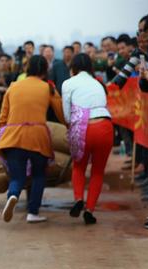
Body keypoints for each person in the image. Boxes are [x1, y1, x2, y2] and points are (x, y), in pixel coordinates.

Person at [0, 55, 65, 224]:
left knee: (17, 177)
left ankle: (13, 195)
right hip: (38, 136)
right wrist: (70, 126)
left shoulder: (13, 87)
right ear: (45, 70)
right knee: (38, 175)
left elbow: (2, 118)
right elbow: (61, 113)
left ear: (27, 69)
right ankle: (33, 212)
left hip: (13, 136)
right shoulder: (47, 87)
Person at [62, 53, 113, 225]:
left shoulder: (68, 83)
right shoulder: (98, 83)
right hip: (105, 127)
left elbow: (67, 117)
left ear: (73, 67)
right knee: (98, 171)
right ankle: (90, 210)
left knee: (79, 166)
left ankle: (78, 199)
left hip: (84, 128)